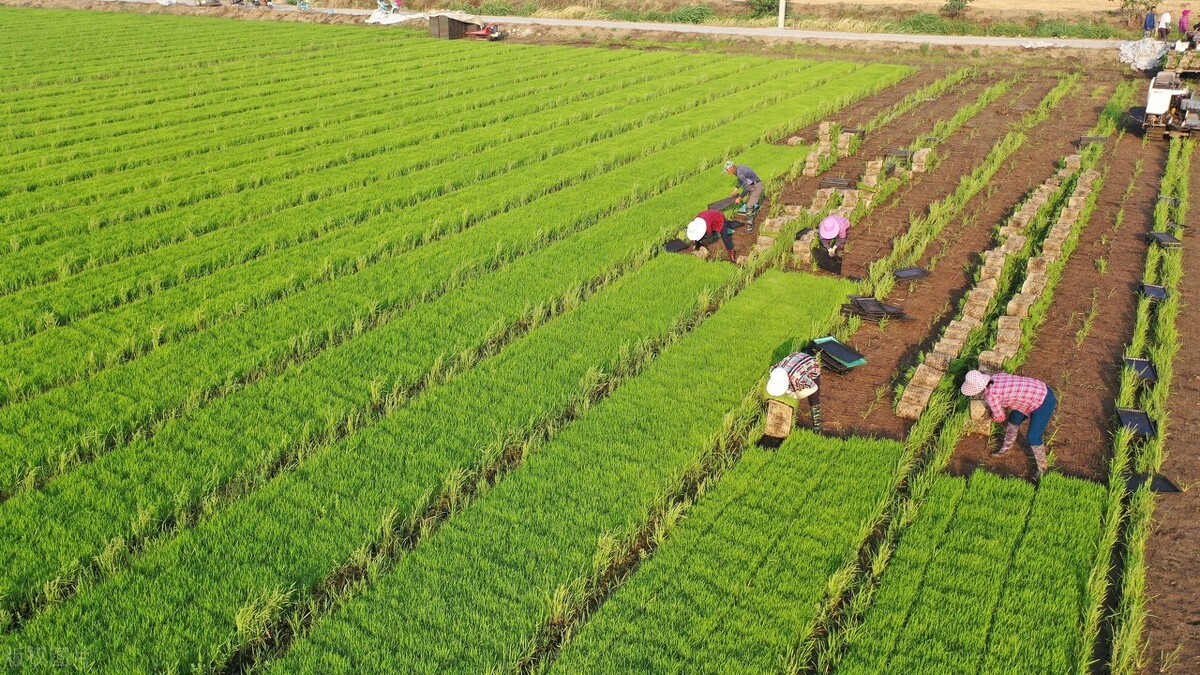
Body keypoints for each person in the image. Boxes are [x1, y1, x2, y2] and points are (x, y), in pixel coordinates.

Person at [960, 370, 1057, 477]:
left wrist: (991, 416)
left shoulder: (991, 396)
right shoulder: (996, 377)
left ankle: (1042, 469)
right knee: (1013, 419)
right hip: (1036, 392)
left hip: (1043, 401)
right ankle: (1005, 449)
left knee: (1033, 437)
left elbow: (1000, 417)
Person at [766, 351, 823, 432]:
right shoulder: (774, 371)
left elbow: (814, 387)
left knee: (813, 398)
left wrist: (798, 395)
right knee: (792, 390)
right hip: (795, 359)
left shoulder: (797, 378)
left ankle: (816, 427)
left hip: (811, 364)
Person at [724, 161, 763, 232]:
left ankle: (750, 228)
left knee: (748, 206)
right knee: (749, 200)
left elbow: (747, 188)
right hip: (752, 184)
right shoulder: (738, 169)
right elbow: (740, 181)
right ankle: (755, 205)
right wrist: (735, 190)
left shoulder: (740, 173)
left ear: (732, 168)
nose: (727, 172)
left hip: (756, 186)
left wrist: (740, 198)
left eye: (727, 170)